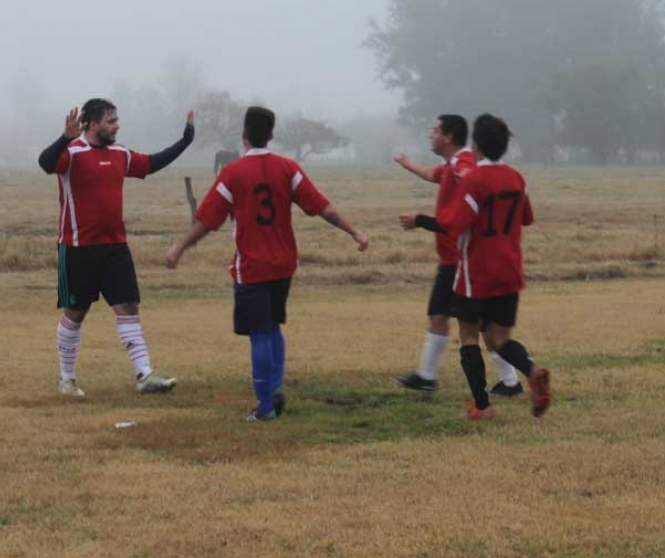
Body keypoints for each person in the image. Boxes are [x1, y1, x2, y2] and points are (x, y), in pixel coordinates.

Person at [165, 106, 369, 422]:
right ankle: (274, 388)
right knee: (273, 325)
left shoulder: (232, 173)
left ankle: (265, 407)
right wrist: (354, 231)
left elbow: (207, 221)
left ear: (243, 134)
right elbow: (323, 208)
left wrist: (179, 248)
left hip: (252, 266)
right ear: (271, 135)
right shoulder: (288, 168)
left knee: (258, 332)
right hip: (284, 264)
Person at [38, 98, 195, 398]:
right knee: (76, 312)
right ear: (92, 123)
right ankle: (67, 380)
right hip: (77, 249)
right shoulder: (72, 152)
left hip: (115, 248)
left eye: (116, 120)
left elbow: (152, 163)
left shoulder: (120, 153)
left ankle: (144, 375)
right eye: (111, 121)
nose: (117, 125)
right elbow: (45, 164)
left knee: (128, 306)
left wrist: (185, 141)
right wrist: (64, 138)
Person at [399, 114, 550, 420]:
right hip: (510, 271)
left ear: (477, 145)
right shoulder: (517, 178)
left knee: (469, 335)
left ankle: (482, 407)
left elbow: (453, 225)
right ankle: (532, 370)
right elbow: (527, 218)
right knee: (499, 338)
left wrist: (420, 220)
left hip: (476, 272)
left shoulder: (474, 180)